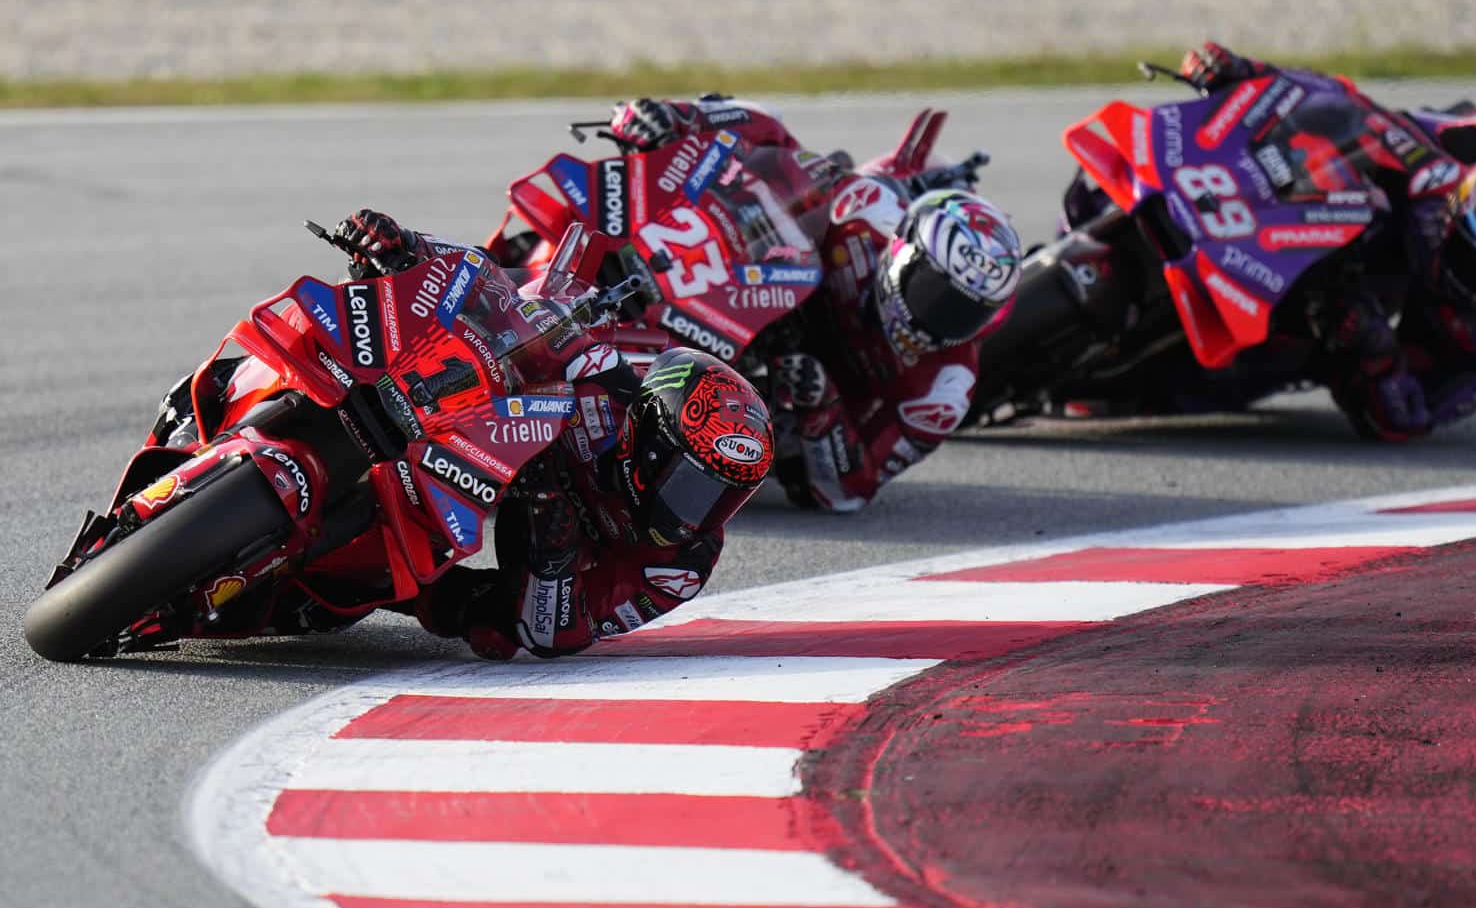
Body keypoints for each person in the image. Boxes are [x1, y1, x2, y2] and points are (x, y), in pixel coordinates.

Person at [153, 208, 774, 659]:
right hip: (484, 434)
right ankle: (242, 394)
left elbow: (562, 633)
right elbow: (507, 297)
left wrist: (553, 549)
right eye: (692, 484)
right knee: (383, 339)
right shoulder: (610, 385)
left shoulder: (683, 564)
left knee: (486, 625)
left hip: (534, 553)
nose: (701, 512)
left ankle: (345, 572)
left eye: (722, 497)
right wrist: (409, 250)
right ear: (651, 438)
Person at [602, 96, 1024, 510]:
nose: (938, 319)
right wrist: (683, 118)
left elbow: (854, 489)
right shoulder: (870, 211)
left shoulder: (944, 390)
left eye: (965, 313)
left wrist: (823, 410)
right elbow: (773, 135)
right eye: (933, 291)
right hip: (750, 291)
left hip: (787, 403)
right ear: (903, 250)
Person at [1179, 42, 1476, 441]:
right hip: (1346, 229)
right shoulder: (1439, 186)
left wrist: (1377, 352)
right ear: (1455, 218)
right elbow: (1344, 99)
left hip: (1359, 330)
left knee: (1218, 383)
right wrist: (1246, 70)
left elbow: (1412, 418)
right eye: (1474, 257)